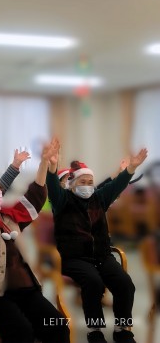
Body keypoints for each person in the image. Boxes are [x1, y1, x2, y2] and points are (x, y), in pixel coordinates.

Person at [0, 135, 70, 343]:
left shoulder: (8, 217)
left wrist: (44, 163)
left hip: (25, 290)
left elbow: (34, 198)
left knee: (58, 326)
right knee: (21, 331)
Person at [46, 140, 148, 343]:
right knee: (94, 283)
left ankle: (122, 329)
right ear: (71, 184)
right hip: (75, 259)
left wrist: (131, 169)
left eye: (89, 182)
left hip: (102, 256)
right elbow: (52, 186)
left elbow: (116, 185)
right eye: (82, 182)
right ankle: (95, 330)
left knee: (125, 284)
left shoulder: (99, 198)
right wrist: (52, 167)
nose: (87, 186)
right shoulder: (62, 201)